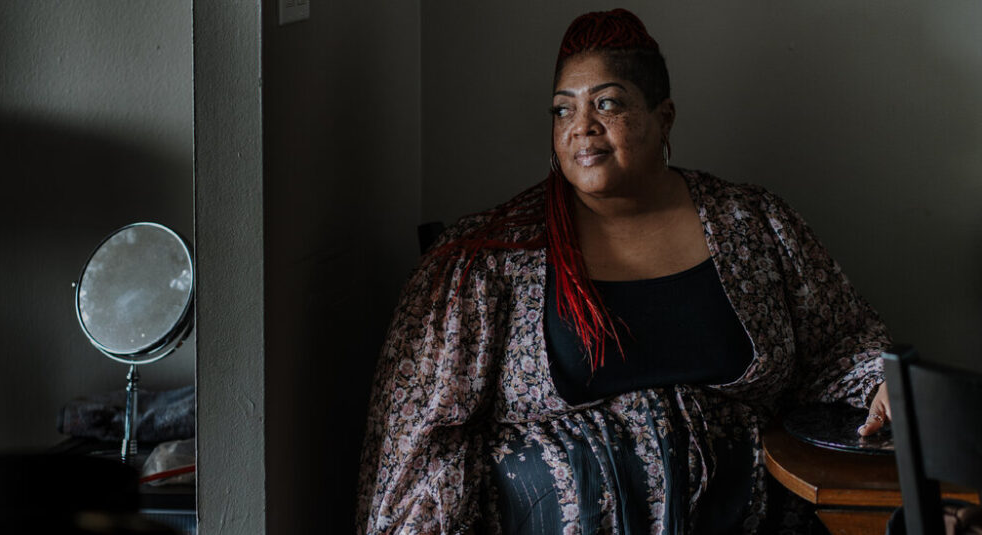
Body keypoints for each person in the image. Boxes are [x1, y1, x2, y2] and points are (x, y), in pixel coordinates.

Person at [357, 8, 893, 534]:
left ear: (665, 117)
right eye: (563, 110)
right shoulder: (486, 258)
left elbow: (842, 345)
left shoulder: (754, 225)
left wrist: (882, 384)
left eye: (606, 103)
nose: (581, 127)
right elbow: (421, 441)